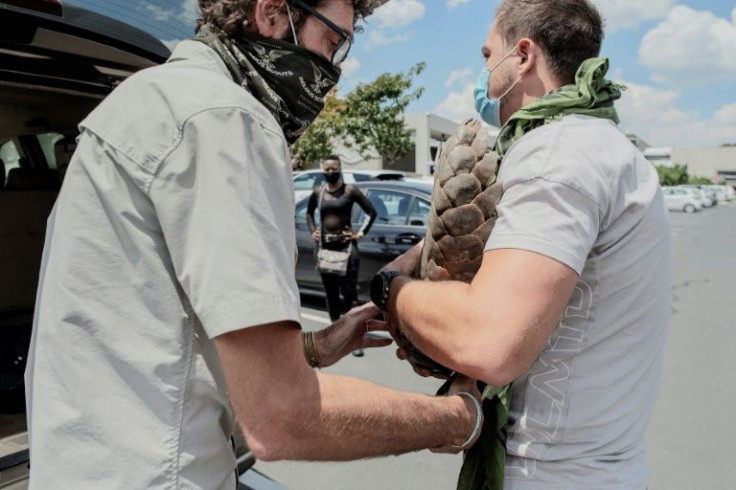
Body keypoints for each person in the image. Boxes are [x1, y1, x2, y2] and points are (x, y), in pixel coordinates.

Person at [23, 1, 484, 488]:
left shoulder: (139, 99)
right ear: (270, 13)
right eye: (332, 42)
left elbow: (149, 325)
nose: (333, 71)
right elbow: (281, 415)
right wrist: (459, 418)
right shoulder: (226, 119)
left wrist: (308, 348)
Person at [373, 1, 671, 489]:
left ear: (524, 56)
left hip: (550, 475)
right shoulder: (608, 149)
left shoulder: (556, 154)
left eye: (489, 56)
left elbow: (490, 342)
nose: (485, 74)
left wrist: (390, 289)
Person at [307, 154, 377, 356]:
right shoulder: (318, 192)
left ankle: (352, 338)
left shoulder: (350, 191)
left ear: (340, 168)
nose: (330, 172)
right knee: (330, 295)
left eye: (334, 169)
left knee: (349, 295)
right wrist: (313, 230)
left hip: (347, 250)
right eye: (327, 169)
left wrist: (359, 234)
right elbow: (309, 213)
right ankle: (335, 336)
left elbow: (371, 212)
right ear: (322, 170)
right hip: (324, 249)